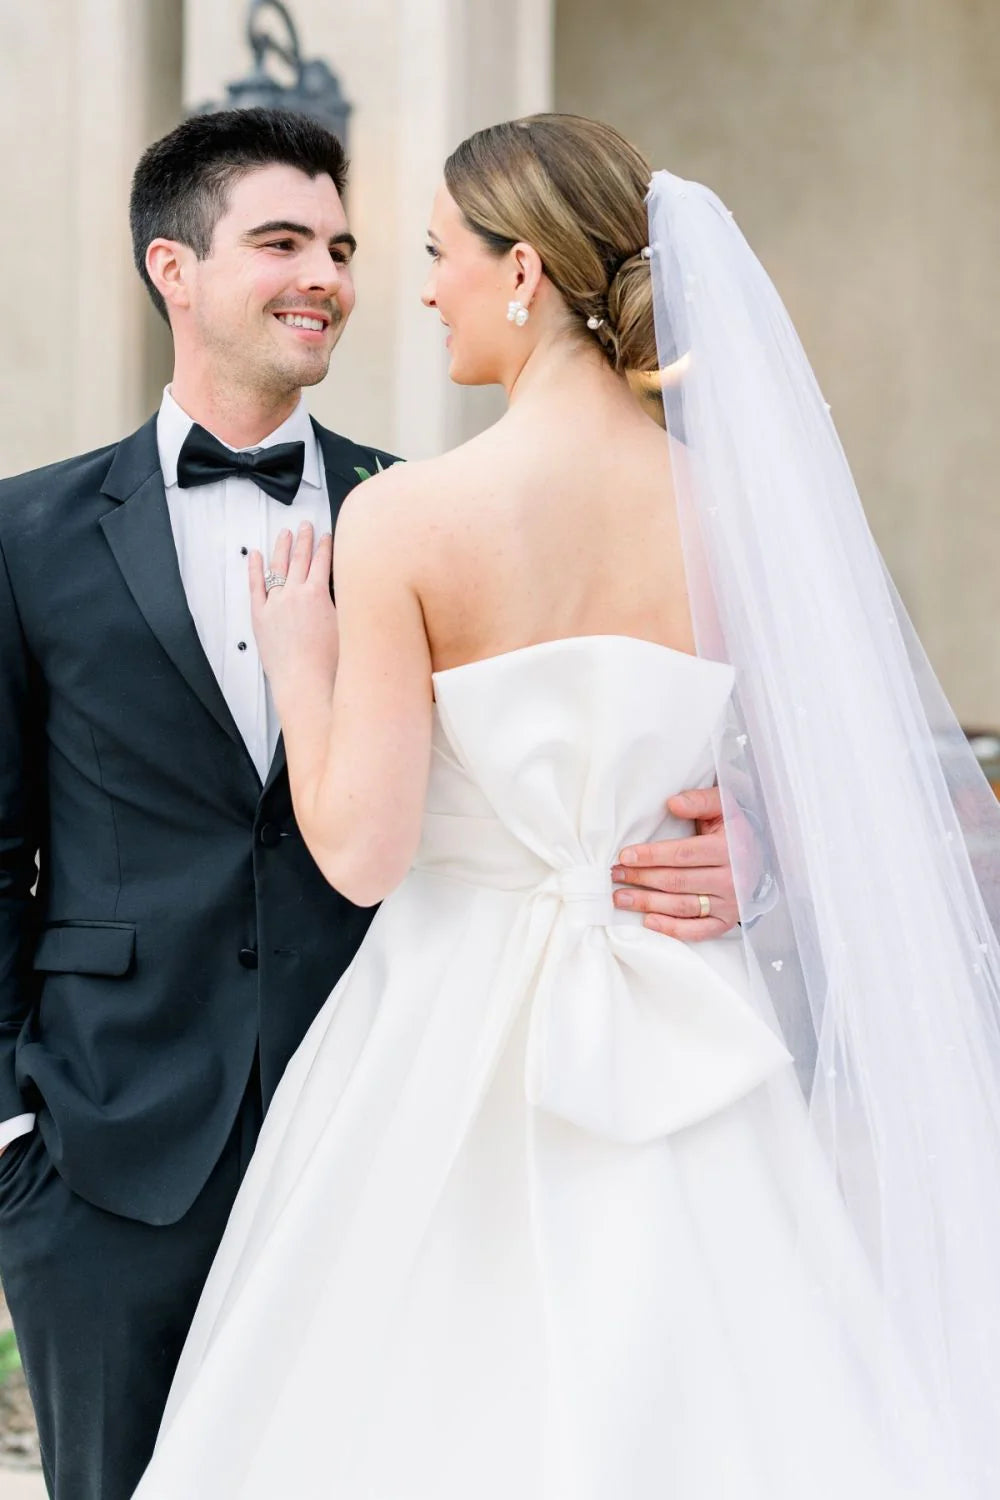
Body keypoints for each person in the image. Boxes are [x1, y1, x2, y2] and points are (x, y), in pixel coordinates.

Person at [131, 115, 1000, 1498]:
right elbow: (798, 777)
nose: (423, 291)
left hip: (446, 1027)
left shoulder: (412, 517)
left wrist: (306, 672)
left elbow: (359, 854)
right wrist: (753, 854)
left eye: (436, 256)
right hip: (682, 1010)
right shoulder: (732, 509)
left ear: (523, 272)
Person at [0, 108, 737, 1500]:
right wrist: (11, 1134)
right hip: (109, 1152)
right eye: (286, 242)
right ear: (173, 267)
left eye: (355, 247)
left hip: (397, 1111)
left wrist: (746, 837)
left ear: (516, 273)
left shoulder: (413, 505)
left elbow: (380, 835)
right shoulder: (23, 533)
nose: (338, 277)